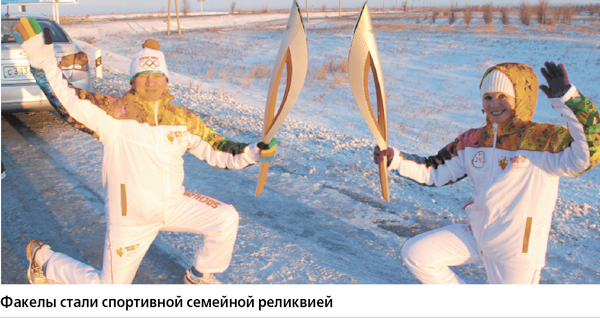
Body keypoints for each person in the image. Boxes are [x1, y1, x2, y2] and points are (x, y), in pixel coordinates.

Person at [14, 18, 274, 284]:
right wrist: (44, 61)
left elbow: (217, 147)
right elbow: (67, 99)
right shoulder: (113, 114)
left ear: (166, 79)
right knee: (110, 291)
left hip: (172, 206)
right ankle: (45, 262)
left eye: (156, 75)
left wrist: (252, 152)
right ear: (133, 81)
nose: (151, 82)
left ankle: (198, 277)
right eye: (143, 76)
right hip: (130, 221)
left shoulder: (181, 118)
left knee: (225, 218)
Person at [374, 62, 599, 284]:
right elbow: (435, 171)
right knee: (418, 254)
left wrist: (570, 101)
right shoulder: (473, 140)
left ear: (520, 99)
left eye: (503, 96)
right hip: (479, 235)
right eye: (488, 97)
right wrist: (395, 159)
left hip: (516, 251)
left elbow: (588, 154)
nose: (494, 104)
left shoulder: (542, 140)